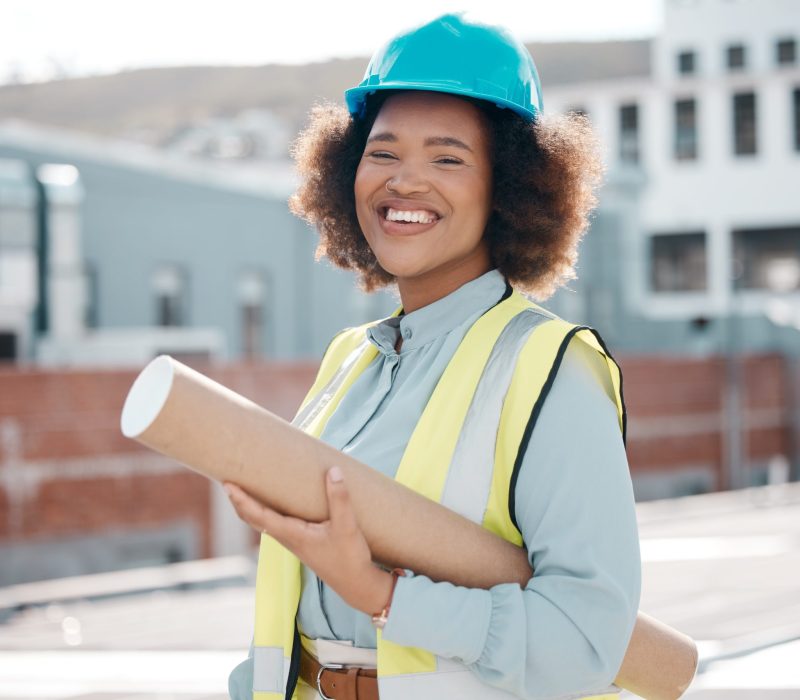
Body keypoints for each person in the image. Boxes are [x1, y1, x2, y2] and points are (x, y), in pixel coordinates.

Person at [225, 13, 641, 700]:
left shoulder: (551, 370)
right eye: (383, 153)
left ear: (510, 188)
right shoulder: (349, 363)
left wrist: (382, 595)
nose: (405, 182)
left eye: (447, 158)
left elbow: (584, 647)